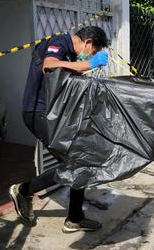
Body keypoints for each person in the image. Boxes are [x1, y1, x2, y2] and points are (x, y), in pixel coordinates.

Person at [9, 26, 109, 232]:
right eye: (93, 51)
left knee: (79, 161)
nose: (91, 56)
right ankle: (23, 191)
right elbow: (50, 65)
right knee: (75, 162)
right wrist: (88, 63)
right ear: (88, 43)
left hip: (54, 114)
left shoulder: (70, 53)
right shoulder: (59, 43)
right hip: (38, 113)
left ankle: (74, 217)